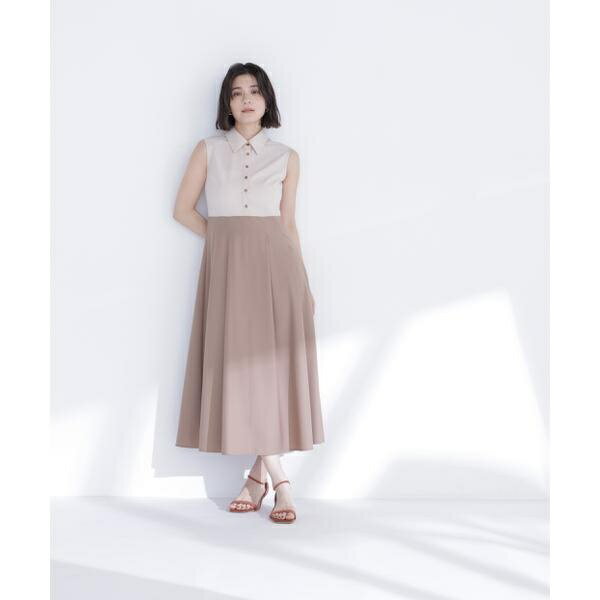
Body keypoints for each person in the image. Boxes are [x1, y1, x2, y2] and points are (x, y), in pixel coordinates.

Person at [173, 62, 325, 523]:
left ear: (267, 100)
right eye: (237, 92)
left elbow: (287, 224)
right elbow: (182, 210)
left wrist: (303, 282)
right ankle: (279, 479)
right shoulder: (208, 150)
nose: (246, 99)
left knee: (270, 373)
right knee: (241, 367)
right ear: (227, 102)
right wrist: (225, 244)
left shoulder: (287, 157)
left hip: (279, 269)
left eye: (254, 91)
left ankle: (258, 478)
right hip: (229, 271)